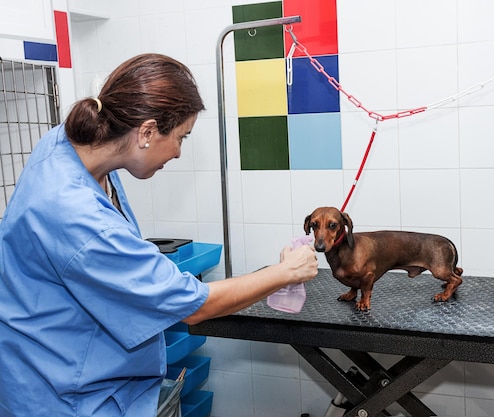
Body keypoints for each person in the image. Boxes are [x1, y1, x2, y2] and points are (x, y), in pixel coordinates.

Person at [0, 53, 318, 417]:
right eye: (181, 137)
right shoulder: (76, 216)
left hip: (71, 364)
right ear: (147, 132)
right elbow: (196, 305)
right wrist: (285, 273)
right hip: (65, 395)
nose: (180, 152)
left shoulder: (71, 145)